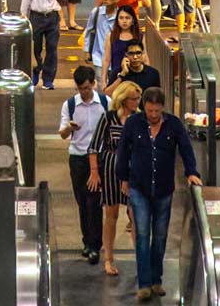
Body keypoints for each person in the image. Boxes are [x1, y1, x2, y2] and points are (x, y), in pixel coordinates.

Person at [116, 87, 201, 300]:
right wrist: (123, 178)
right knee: (143, 235)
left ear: (162, 108)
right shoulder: (133, 124)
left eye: (157, 111)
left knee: (160, 236)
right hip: (138, 188)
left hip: (164, 189)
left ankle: (156, 279)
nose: (153, 115)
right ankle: (144, 283)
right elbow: (123, 151)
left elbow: (186, 149)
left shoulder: (174, 125)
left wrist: (192, 172)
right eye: (149, 110)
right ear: (144, 107)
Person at [88, 80, 143, 275]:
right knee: (111, 215)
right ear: (123, 100)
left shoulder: (140, 119)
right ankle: (108, 259)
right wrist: (94, 172)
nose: (137, 102)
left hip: (133, 170)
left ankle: (141, 260)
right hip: (111, 168)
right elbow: (94, 147)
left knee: (136, 215)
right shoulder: (108, 118)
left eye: (138, 98)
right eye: (133, 99)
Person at [59, 66, 108, 265]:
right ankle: (87, 242)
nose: (84, 92)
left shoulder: (105, 103)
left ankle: (95, 245)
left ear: (93, 84)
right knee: (82, 201)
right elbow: (62, 134)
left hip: (98, 157)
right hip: (78, 157)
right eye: (80, 88)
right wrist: (69, 127)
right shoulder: (70, 105)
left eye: (87, 88)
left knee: (94, 203)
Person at [20, 0, 66, 89]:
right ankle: (36, 69)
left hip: (52, 16)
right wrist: (23, 17)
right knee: (35, 48)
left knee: (52, 48)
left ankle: (48, 79)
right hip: (36, 16)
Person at [83, 0, 120, 89]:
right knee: (100, 82)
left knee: (114, 85)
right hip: (98, 56)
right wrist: (87, 51)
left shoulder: (120, 16)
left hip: (115, 58)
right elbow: (89, 31)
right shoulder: (96, 12)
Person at [102, 5, 142, 88]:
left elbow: (144, 58)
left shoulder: (139, 36)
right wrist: (103, 80)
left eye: (127, 18)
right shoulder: (111, 36)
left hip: (136, 78)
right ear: (117, 20)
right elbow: (106, 59)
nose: (124, 21)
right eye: (121, 18)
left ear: (133, 20)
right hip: (116, 78)